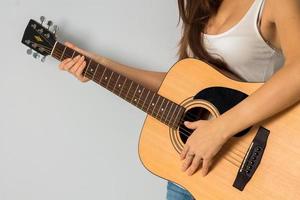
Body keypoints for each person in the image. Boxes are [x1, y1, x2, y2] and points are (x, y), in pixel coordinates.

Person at [58, 0, 300, 199]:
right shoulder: (200, 6)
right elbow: (184, 85)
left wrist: (219, 130)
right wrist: (103, 67)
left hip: (250, 174)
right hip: (189, 171)